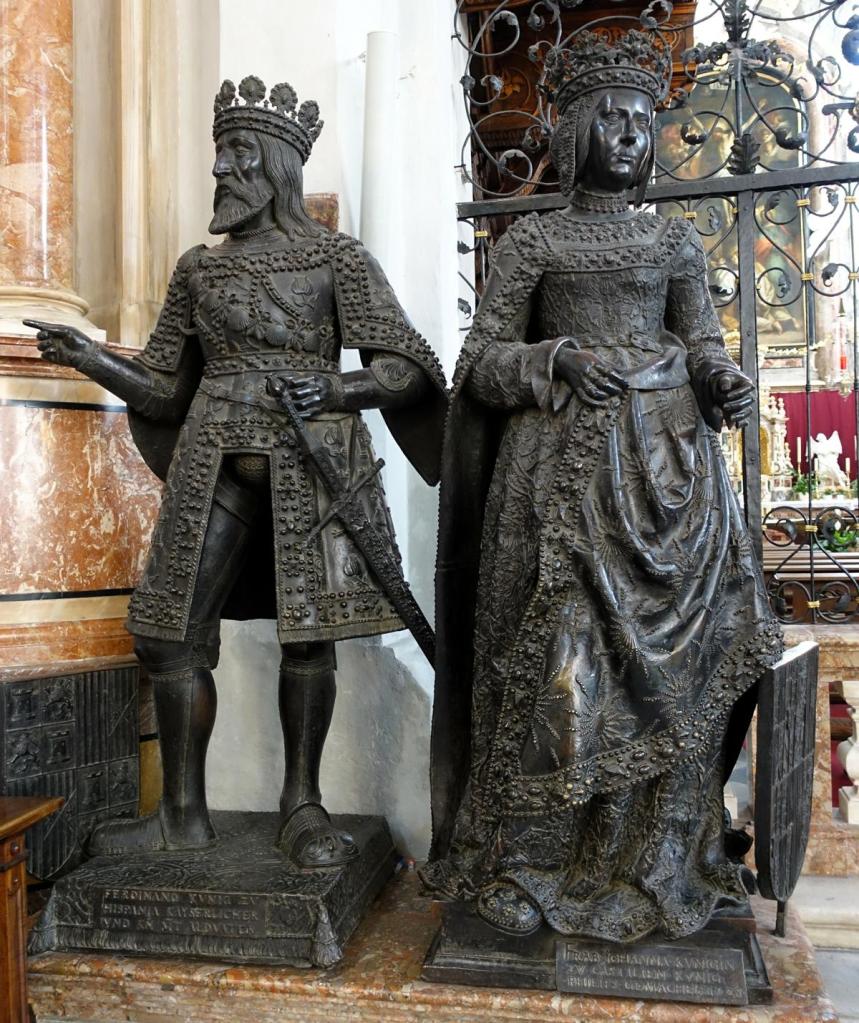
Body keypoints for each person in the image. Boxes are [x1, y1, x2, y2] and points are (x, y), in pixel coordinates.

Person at [27, 75, 446, 868]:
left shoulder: (335, 259)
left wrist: (336, 385)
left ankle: (302, 804)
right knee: (166, 631)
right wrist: (93, 360)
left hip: (307, 457)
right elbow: (164, 386)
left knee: (306, 634)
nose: (221, 170)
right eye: (220, 154)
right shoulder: (198, 270)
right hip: (211, 458)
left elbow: (406, 369)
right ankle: (181, 813)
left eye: (238, 153)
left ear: (280, 167)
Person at [422, 29, 783, 942]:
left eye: (640, 121)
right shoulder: (532, 242)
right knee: (557, 671)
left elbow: (700, 342)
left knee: (663, 677)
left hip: (668, 484)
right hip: (558, 491)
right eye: (610, 119)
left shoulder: (673, 243)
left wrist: (720, 379)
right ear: (577, 127)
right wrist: (552, 356)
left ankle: (652, 855)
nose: (628, 134)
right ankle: (529, 859)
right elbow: (479, 361)